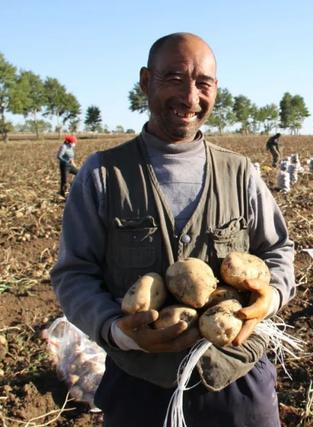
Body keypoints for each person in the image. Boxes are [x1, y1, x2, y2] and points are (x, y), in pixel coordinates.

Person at [50, 33, 295, 427]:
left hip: (237, 381)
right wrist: (120, 332)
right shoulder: (102, 175)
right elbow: (74, 273)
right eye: (174, 78)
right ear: (146, 82)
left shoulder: (241, 173)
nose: (190, 96)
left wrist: (267, 301)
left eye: (203, 83)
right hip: (140, 387)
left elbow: (278, 251)